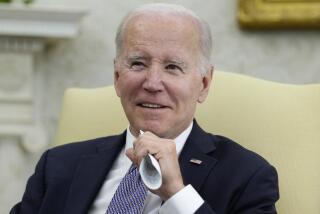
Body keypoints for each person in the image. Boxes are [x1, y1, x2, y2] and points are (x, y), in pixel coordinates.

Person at [10, 3, 279, 214]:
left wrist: (177, 194)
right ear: (117, 77)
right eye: (138, 63)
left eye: (173, 67)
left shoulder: (247, 176)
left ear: (204, 84)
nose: (152, 83)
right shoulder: (57, 166)